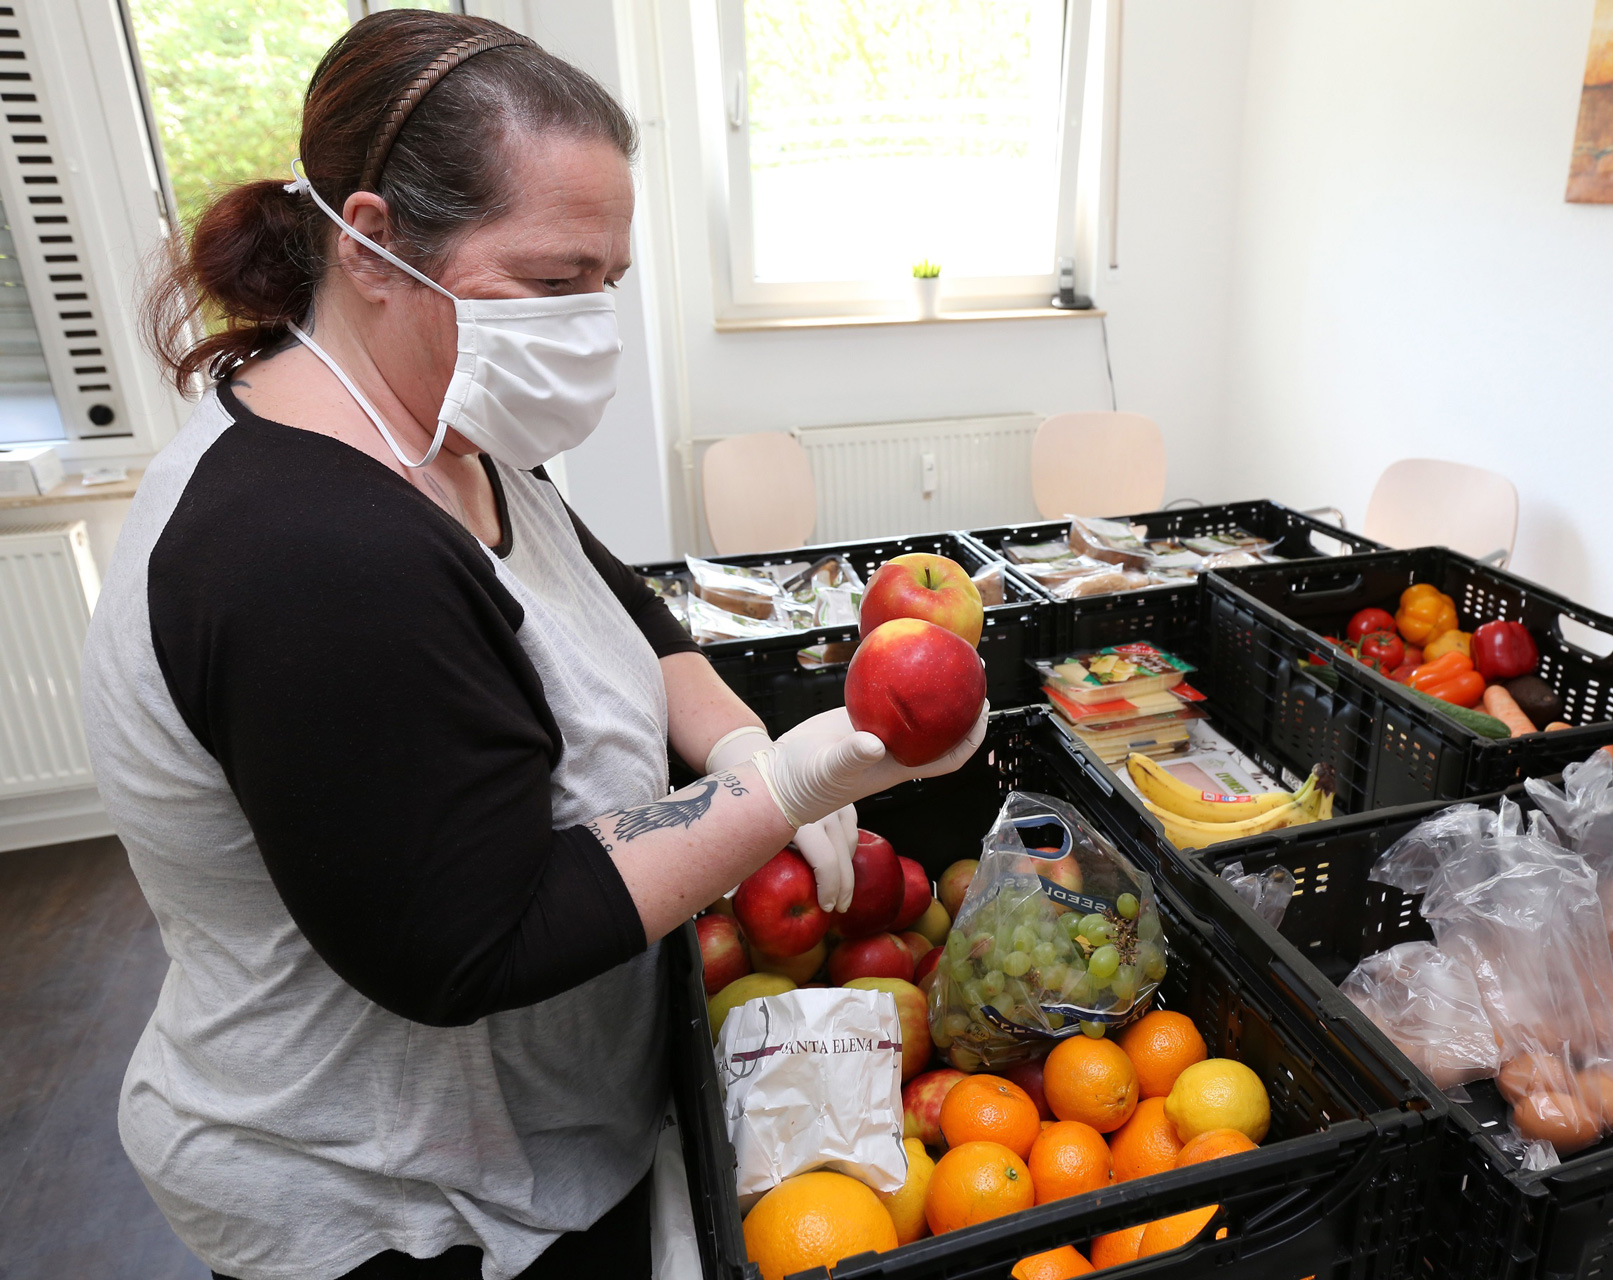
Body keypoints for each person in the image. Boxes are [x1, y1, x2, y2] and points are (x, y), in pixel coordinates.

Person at [80, 11, 986, 1279]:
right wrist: (782, 785)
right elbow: (475, 939)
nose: (591, 323)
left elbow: (629, 619)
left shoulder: (448, 427)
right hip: (396, 1200)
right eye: (556, 282)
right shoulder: (308, 552)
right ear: (377, 243)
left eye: (609, 281)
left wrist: (728, 729)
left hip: (541, 1132)